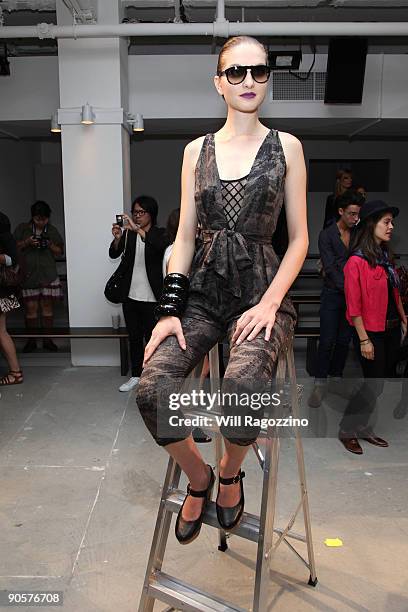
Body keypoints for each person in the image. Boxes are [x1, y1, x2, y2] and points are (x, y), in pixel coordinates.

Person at [135, 35, 308, 545]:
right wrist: (169, 308)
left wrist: (272, 303)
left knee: (242, 391)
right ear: (219, 82)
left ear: (267, 78)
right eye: (236, 72)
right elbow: (185, 237)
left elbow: (297, 239)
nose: (248, 81)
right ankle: (200, 477)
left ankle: (230, 472)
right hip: (203, 293)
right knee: (152, 391)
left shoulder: (287, 147)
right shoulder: (196, 151)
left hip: (262, 289)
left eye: (258, 71)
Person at [339, 200, 407, 454]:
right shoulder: (356, 262)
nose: (392, 226)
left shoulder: (384, 259)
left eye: (391, 222)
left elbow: (395, 293)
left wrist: (403, 318)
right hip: (369, 333)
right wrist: (364, 339)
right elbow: (353, 306)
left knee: (378, 384)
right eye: (386, 222)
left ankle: (363, 426)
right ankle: (347, 429)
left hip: (389, 330)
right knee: (371, 384)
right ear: (371, 225)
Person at [308, 190, 364, 408]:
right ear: (341, 211)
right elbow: (330, 269)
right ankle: (320, 384)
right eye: (351, 214)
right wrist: (350, 290)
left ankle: (337, 380)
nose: (354, 218)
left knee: (344, 341)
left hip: (353, 297)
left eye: (357, 214)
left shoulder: (358, 233)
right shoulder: (326, 235)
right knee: (328, 340)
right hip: (333, 295)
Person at [109, 195, 169, 392]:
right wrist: (118, 239)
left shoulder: (160, 234)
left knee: (153, 338)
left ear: (151, 214)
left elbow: (160, 247)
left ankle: (153, 376)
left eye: (141, 212)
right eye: (135, 212)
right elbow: (113, 254)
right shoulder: (128, 235)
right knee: (134, 337)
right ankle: (135, 375)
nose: (137, 216)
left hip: (153, 297)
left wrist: (139, 231)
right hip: (130, 296)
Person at [14, 201, 64, 352]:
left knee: (47, 307)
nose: (41, 222)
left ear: (48, 218)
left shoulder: (52, 230)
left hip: (48, 274)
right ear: (32, 217)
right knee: (31, 308)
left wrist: (48, 244)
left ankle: (48, 340)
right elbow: (13, 247)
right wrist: (27, 242)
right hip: (29, 275)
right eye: (37, 219)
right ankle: (31, 341)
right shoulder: (23, 229)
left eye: (44, 219)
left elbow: (59, 251)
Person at [0, 212, 23, 385]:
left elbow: (13, 260)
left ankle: (15, 373)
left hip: (1, 291)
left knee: (1, 332)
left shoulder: (5, 237)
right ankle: (15, 373)